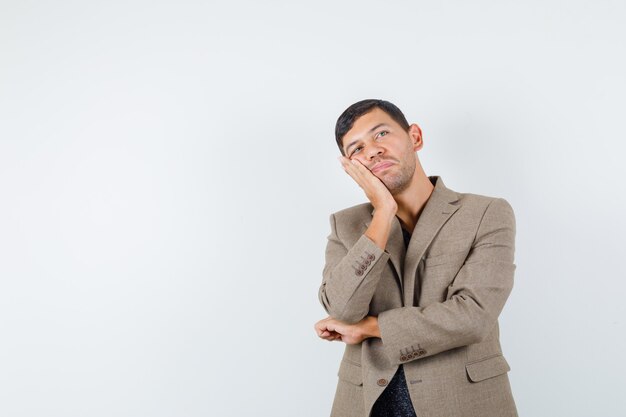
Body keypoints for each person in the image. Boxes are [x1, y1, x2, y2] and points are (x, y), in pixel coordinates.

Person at [314, 99, 518, 417]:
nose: (371, 151)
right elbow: (342, 309)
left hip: (463, 402)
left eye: (381, 134)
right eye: (356, 148)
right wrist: (383, 213)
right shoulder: (346, 225)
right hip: (367, 404)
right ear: (350, 166)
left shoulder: (486, 213)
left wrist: (369, 328)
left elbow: (472, 318)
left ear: (415, 137)